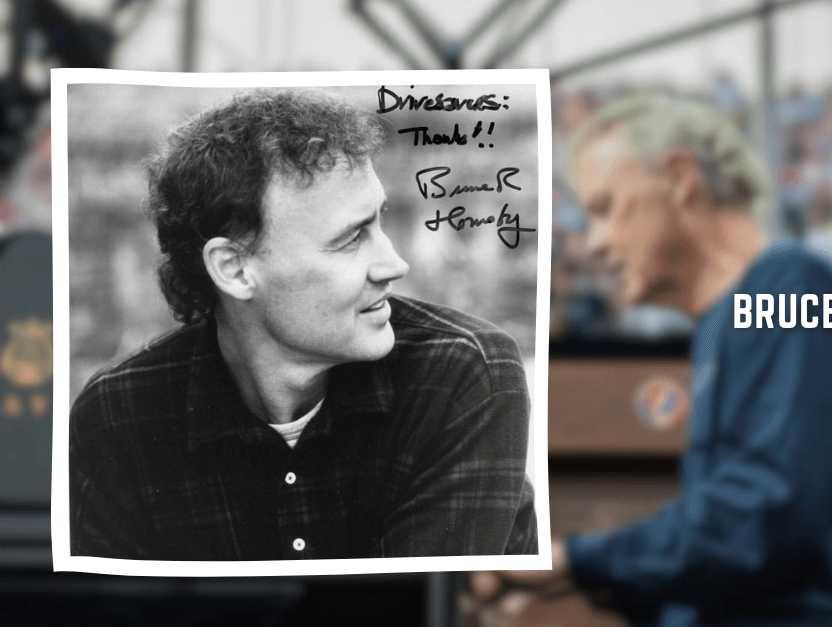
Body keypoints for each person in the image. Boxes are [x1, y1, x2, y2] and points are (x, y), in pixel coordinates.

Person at [466, 94, 832, 625]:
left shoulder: (790, 288)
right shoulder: (730, 320)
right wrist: (560, 584)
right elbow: (737, 559)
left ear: (678, 177)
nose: (595, 244)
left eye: (604, 209)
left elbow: (767, 521)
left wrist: (573, 562)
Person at [69, 89, 537, 561]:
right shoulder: (117, 416)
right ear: (233, 268)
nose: (395, 264)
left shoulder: (463, 372)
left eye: (380, 222)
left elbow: (425, 608)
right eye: (351, 238)